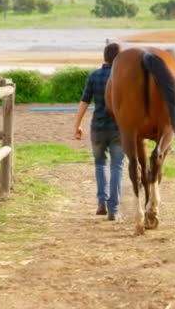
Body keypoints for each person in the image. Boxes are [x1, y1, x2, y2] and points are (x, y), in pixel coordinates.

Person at [74, 43, 124, 221]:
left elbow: (84, 102)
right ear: (119, 58)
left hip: (98, 127)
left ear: (104, 56)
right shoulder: (122, 77)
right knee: (117, 166)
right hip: (118, 129)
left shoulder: (94, 76)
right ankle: (114, 209)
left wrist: (77, 125)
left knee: (100, 164)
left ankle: (101, 202)